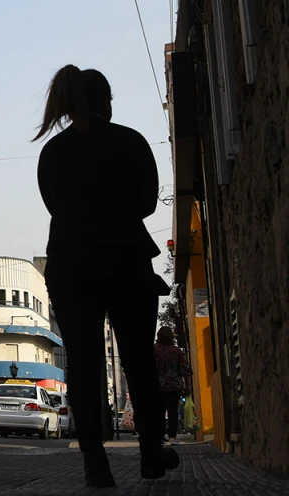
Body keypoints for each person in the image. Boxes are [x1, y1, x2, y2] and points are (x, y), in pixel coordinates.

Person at [34, 65, 178, 486]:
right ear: (106, 102)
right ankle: (151, 455)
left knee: (82, 363)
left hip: (70, 264)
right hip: (126, 260)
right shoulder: (130, 141)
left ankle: (94, 462)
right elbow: (148, 203)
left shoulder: (53, 152)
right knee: (137, 360)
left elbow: (54, 206)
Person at [154, 326, 192, 444]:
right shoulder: (176, 351)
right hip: (174, 387)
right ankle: (172, 437)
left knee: (158, 412)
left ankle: (159, 435)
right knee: (173, 412)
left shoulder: (154, 350)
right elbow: (185, 370)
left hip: (158, 387)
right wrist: (188, 386)